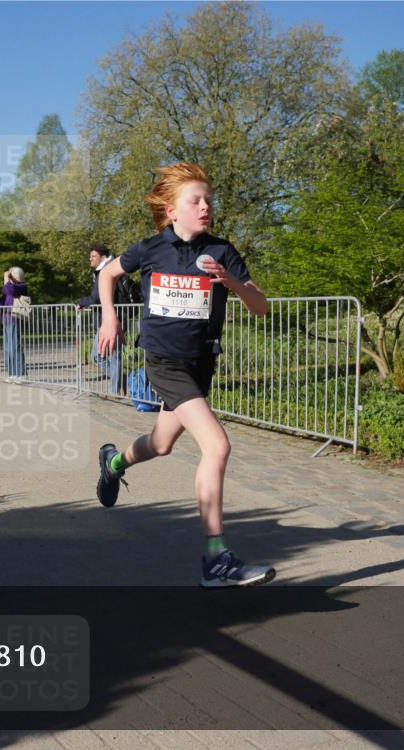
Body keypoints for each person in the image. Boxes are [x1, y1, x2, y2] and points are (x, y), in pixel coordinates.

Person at [94, 163, 275, 588]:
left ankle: (113, 461)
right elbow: (107, 273)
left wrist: (231, 281)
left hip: (200, 362)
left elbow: (261, 306)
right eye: (195, 201)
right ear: (172, 211)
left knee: (162, 442)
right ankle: (216, 558)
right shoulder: (152, 249)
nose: (205, 206)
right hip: (164, 362)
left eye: (209, 200)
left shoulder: (223, 252)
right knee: (217, 445)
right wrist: (109, 319)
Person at [77, 245, 122, 396]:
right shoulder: (104, 270)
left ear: (103, 257)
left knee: (111, 355)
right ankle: (119, 381)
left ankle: (114, 390)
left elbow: (97, 296)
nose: (90, 259)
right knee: (98, 356)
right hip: (106, 319)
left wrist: (81, 301)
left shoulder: (107, 270)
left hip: (113, 319)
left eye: (93, 256)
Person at [0, 266, 28, 382]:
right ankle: (12, 373)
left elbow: (10, 290)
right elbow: (2, 303)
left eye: (11, 275)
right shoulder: (8, 288)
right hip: (6, 319)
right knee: (8, 348)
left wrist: (6, 278)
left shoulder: (21, 286)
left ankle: (21, 374)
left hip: (14, 318)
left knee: (15, 346)